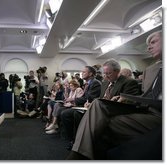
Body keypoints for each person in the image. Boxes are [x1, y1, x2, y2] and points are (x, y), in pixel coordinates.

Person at [67, 30, 162, 160]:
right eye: (104, 74)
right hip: (146, 111)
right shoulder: (150, 70)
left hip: (159, 114)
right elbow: (145, 98)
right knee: (97, 106)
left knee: (100, 120)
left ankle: (78, 154)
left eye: (153, 42)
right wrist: (125, 98)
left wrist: (127, 98)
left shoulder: (129, 82)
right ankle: (82, 154)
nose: (148, 47)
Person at [61, 66, 102, 149]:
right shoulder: (87, 83)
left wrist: (73, 100)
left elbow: (89, 98)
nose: (81, 73)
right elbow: (84, 97)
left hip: (91, 107)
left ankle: (76, 140)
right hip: (84, 105)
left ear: (90, 74)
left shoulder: (95, 83)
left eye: (84, 72)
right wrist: (74, 100)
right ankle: (73, 138)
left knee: (67, 114)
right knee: (64, 112)